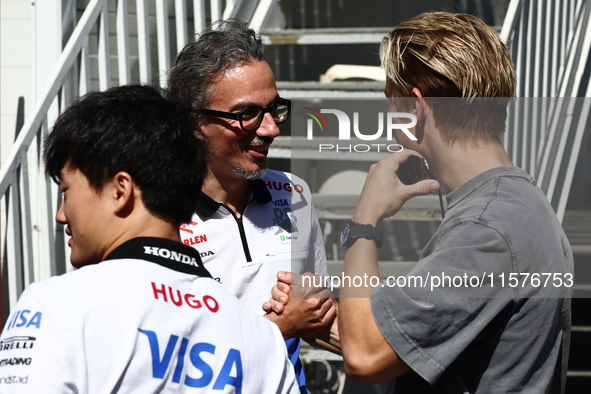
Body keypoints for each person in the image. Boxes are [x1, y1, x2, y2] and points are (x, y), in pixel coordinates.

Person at [269, 11, 573, 393]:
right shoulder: (512, 207)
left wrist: (365, 222)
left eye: (389, 100)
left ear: (415, 108)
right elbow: (412, 345)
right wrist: (322, 317)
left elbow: (366, 356)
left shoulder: (486, 230)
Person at [0, 85, 298, 393]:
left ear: (120, 190)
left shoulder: (54, 308)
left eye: (66, 191)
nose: (61, 214)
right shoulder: (263, 340)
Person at [167, 19, 339, 394]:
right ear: (194, 122)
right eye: (247, 114)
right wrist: (278, 327)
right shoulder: (158, 213)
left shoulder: (293, 192)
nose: (271, 129)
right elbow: (164, 359)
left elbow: (317, 320)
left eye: (274, 108)